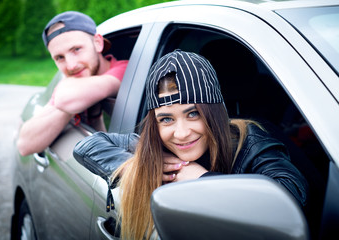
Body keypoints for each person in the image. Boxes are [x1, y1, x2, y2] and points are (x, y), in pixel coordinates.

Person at [73, 50, 308, 239]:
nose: (182, 133)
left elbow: (290, 197)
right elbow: (87, 146)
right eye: (166, 119)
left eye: (194, 114)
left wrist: (200, 180)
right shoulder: (155, 149)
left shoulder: (250, 142)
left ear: (215, 112)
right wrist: (139, 167)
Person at [17, 11, 128, 156]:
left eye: (76, 49)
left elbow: (65, 99)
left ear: (98, 43)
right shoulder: (73, 84)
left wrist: (68, 97)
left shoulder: (126, 70)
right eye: (59, 57)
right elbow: (25, 145)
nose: (71, 66)